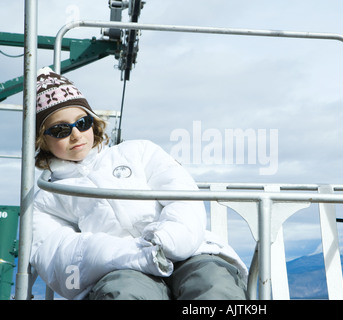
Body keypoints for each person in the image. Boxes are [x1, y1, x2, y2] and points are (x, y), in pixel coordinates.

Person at [30, 67, 248, 300]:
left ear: (93, 123)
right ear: (43, 140)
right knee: (124, 294)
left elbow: (182, 195)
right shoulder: (49, 197)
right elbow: (61, 256)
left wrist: (168, 241)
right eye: (61, 130)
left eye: (82, 123)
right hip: (122, 268)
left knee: (214, 283)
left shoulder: (138, 152)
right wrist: (133, 255)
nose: (76, 135)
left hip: (188, 251)